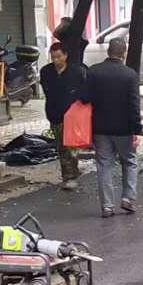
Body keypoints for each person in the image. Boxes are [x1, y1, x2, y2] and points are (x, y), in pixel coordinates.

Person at [79, 33, 142, 216]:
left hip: (100, 128)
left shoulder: (94, 71)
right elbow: (134, 104)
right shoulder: (130, 75)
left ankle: (107, 206)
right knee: (129, 162)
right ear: (124, 53)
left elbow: (84, 97)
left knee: (104, 165)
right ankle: (128, 198)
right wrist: (136, 128)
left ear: (108, 51)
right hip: (124, 129)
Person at [40, 38, 82, 189]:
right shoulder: (46, 71)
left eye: (59, 56)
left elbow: (81, 93)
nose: (56, 60)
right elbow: (47, 91)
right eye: (53, 57)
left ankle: (70, 177)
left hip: (72, 115)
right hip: (54, 113)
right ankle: (71, 172)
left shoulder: (76, 72)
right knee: (61, 146)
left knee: (70, 146)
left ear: (65, 55)